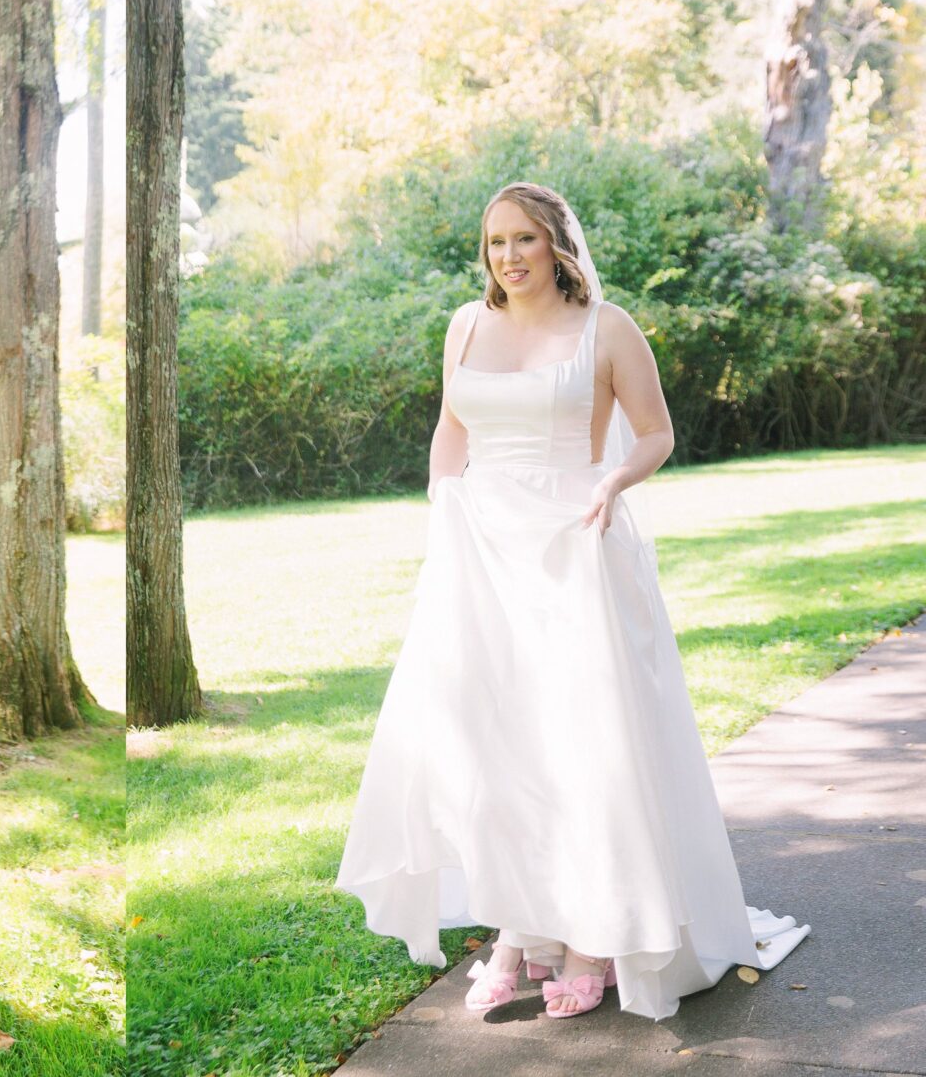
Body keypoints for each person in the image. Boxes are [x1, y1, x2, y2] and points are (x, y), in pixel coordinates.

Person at [334, 183, 810, 1021]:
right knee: (497, 744)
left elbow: (656, 431)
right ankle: (517, 929)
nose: (508, 257)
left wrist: (615, 481)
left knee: (582, 743)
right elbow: (453, 430)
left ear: (557, 244)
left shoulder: (608, 327)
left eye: (524, 239)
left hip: (574, 544)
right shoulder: (465, 327)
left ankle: (595, 935)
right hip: (481, 553)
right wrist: (443, 510)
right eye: (494, 244)